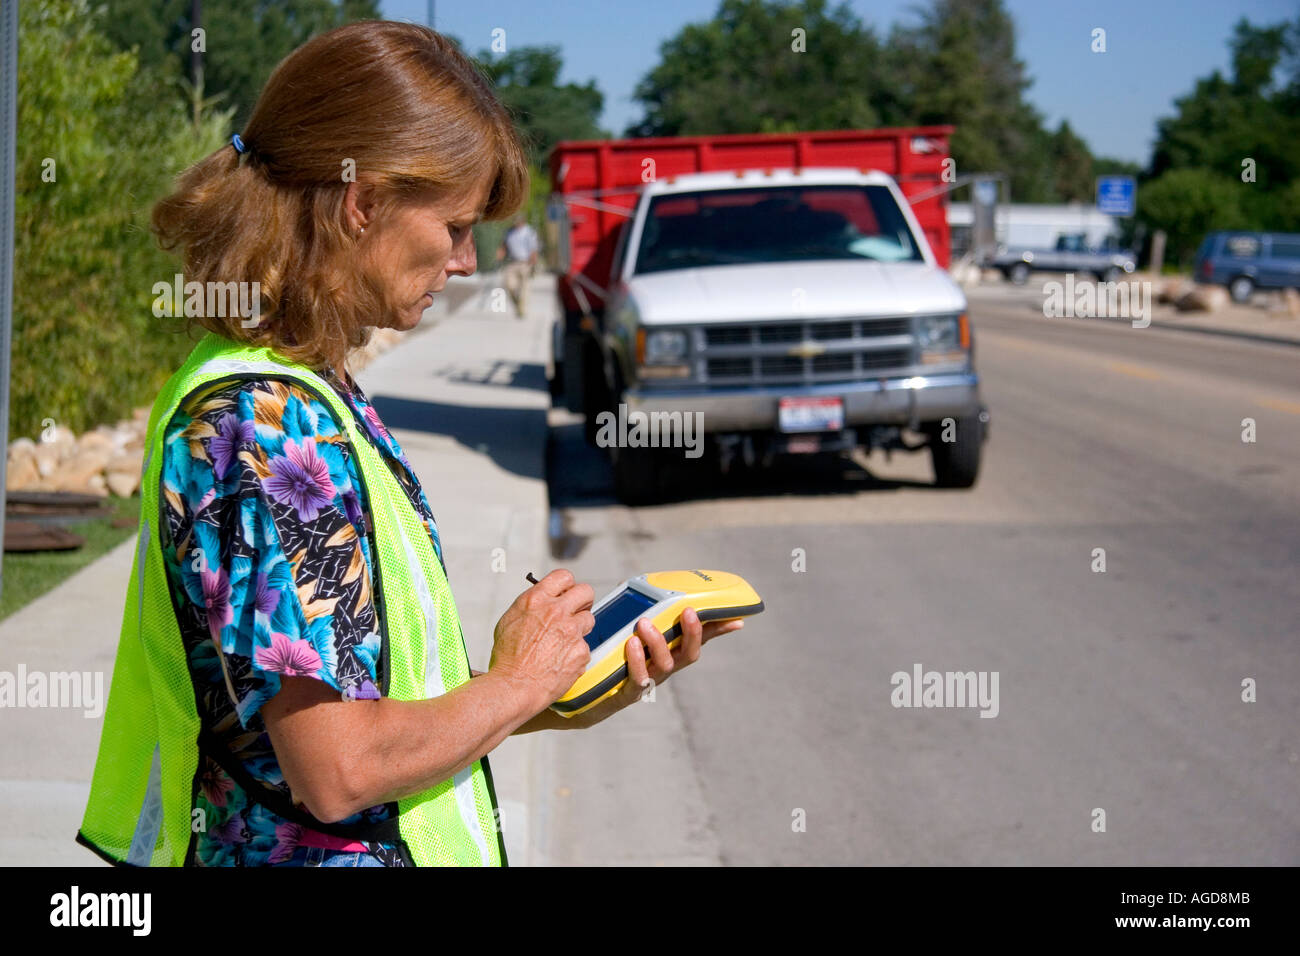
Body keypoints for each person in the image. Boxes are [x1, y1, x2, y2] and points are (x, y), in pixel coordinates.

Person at [77, 21, 744, 868]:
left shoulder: (306, 388)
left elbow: (376, 704)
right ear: (363, 204)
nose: (467, 260)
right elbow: (339, 768)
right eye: (456, 225)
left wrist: (555, 691)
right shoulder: (269, 424)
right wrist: (512, 684)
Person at [496, 214, 539, 317]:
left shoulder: (529, 232)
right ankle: (517, 304)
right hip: (512, 263)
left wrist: (533, 263)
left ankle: (522, 311)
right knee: (509, 285)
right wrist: (500, 254)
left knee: (524, 289)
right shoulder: (509, 232)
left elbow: (533, 249)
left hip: (525, 263)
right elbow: (504, 245)